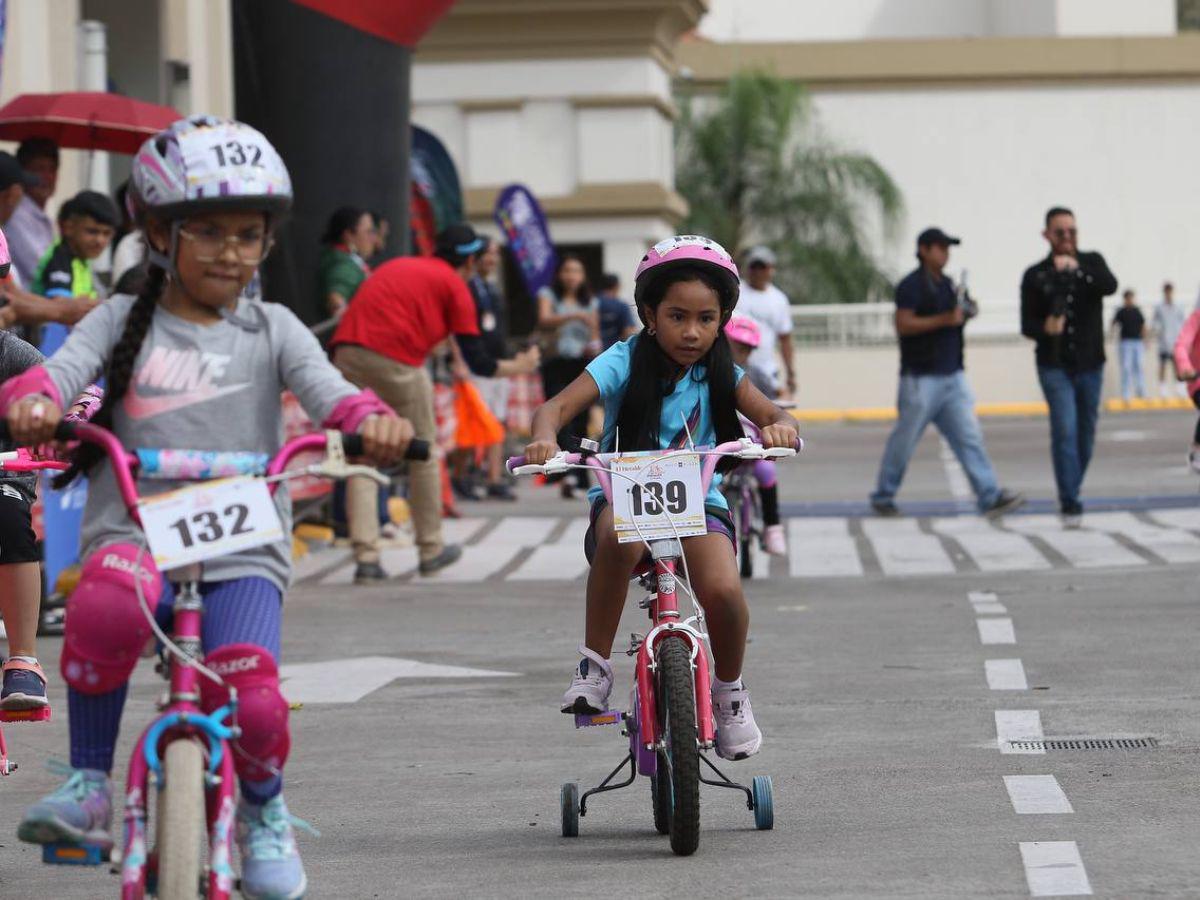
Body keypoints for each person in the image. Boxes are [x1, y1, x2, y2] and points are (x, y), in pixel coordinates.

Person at [1, 115, 412, 898]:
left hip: (242, 547)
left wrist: (371, 423)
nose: (232, 251)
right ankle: (88, 785)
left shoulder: (275, 328)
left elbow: (333, 394)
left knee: (256, 705)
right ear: (159, 231)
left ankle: (263, 814)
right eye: (210, 231)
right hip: (136, 528)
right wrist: (30, 401)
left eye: (248, 234)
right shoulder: (120, 320)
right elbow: (54, 378)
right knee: (107, 609)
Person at [525, 235, 798, 760]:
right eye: (677, 316)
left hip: (698, 501)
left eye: (706, 318)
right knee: (621, 539)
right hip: (625, 491)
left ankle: (730, 693)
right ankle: (595, 665)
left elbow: (774, 415)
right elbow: (556, 408)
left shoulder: (724, 372)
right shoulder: (623, 360)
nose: (692, 331)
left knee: (723, 592)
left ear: (722, 320)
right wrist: (543, 438)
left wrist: (781, 427)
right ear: (649, 313)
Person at [330, 222, 540, 583]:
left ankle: (366, 558)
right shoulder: (456, 286)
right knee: (423, 453)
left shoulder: (401, 265)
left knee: (362, 455)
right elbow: (478, 361)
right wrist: (520, 365)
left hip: (346, 355)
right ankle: (430, 548)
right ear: (471, 260)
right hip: (395, 362)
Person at [871, 228, 1023, 518]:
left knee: (970, 438)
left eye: (947, 248)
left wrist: (966, 312)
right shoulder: (912, 285)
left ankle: (989, 495)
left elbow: (955, 316)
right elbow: (904, 323)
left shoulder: (947, 285)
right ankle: (884, 494)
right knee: (904, 441)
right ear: (924, 250)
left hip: (952, 375)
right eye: (940, 248)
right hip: (920, 378)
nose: (945, 253)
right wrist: (946, 319)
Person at [1021, 207, 1118, 527]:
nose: (1067, 238)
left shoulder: (1092, 263)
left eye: (1072, 231)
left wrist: (1077, 272)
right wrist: (1045, 327)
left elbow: (1109, 285)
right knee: (1064, 428)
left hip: (1090, 362)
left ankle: (1071, 487)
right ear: (1047, 235)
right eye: (1060, 232)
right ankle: (1070, 498)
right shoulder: (1035, 274)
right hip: (1054, 364)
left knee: (1085, 433)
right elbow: (1027, 323)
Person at [457, 236, 516, 501]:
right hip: (475, 362)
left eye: (495, 254)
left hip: (497, 362)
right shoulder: (466, 286)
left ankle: (493, 477)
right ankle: (462, 474)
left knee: (496, 421)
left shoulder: (491, 288)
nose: (491, 259)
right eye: (487, 254)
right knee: (473, 420)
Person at [537, 254, 599, 499]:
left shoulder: (590, 301)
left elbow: (593, 332)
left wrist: (596, 348)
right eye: (567, 271)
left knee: (582, 419)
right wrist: (574, 316)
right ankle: (567, 472)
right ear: (559, 275)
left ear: (583, 277)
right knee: (560, 416)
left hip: (581, 363)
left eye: (577, 271)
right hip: (555, 360)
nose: (572, 276)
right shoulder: (548, 295)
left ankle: (581, 474)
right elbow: (544, 319)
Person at [724, 315, 787, 555]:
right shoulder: (714, 372)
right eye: (737, 345)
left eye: (748, 348)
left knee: (766, 471)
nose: (743, 352)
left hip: (753, 442)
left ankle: (773, 526)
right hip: (723, 442)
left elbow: (771, 408)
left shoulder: (757, 375)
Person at [31, 190, 118, 354]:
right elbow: (61, 307)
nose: (100, 240)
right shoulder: (59, 259)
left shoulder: (82, 260)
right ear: (69, 227)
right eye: (92, 231)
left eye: (107, 233)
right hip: (49, 350)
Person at [736, 246, 796, 399]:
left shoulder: (779, 299)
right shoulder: (736, 292)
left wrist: (790, 373)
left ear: (771, 269)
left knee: (765, 419)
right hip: (736, 368)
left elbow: (785, 339)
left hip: (766, 372)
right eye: (753, 266)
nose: (757, 272)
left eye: (762, 267)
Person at [7, 139, 59, 289]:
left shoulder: (44, 216)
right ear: (22, 173)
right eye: (39, 169)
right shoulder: (16, 215)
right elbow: (42, 268)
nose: (47, 177)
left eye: (52, 169)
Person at [317, 206, 376, 317]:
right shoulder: (342, 264)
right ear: (349, 236)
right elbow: (336, 301)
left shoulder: (343, 260)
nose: (373, 238)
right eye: (369, 232)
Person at [1173, 307, 1200, 471]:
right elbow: (1181, 344)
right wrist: (1185, 367)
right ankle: (1196, 451)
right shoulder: (1197, 317)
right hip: (1197, 381)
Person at [1111, 289, 1146, 402]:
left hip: (1137, 342)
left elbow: (1143, 325)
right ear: (1125, 299)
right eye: (1128, 298)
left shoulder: (1137, 311)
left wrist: (1145, 339)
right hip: (1126, 342)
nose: (1130, 300)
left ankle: (1141, 391)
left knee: (1139, 367)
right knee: (1126, 367)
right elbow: (1113, 323)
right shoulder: (1121, 311)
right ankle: (1126, 393)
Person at [1152, 281, 1186, 397]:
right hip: (1163, 342)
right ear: (1164, 292)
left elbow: (1183, 323)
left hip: (1176, 342)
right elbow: (1155, 322)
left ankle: (1180, 388)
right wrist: (1158, 330)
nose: (1168, 294)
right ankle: (1163, 389)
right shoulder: (1159, 307)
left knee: (1177, 366)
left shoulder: (1178, 306)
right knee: (1162, 365)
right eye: (1166, 292)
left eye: (1170, 291)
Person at [596, 273, 637, 351]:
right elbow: (628, 331)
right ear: (617, 286)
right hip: (612, 352)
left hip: (590, 354)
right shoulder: (621, 306)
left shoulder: (591, 303)